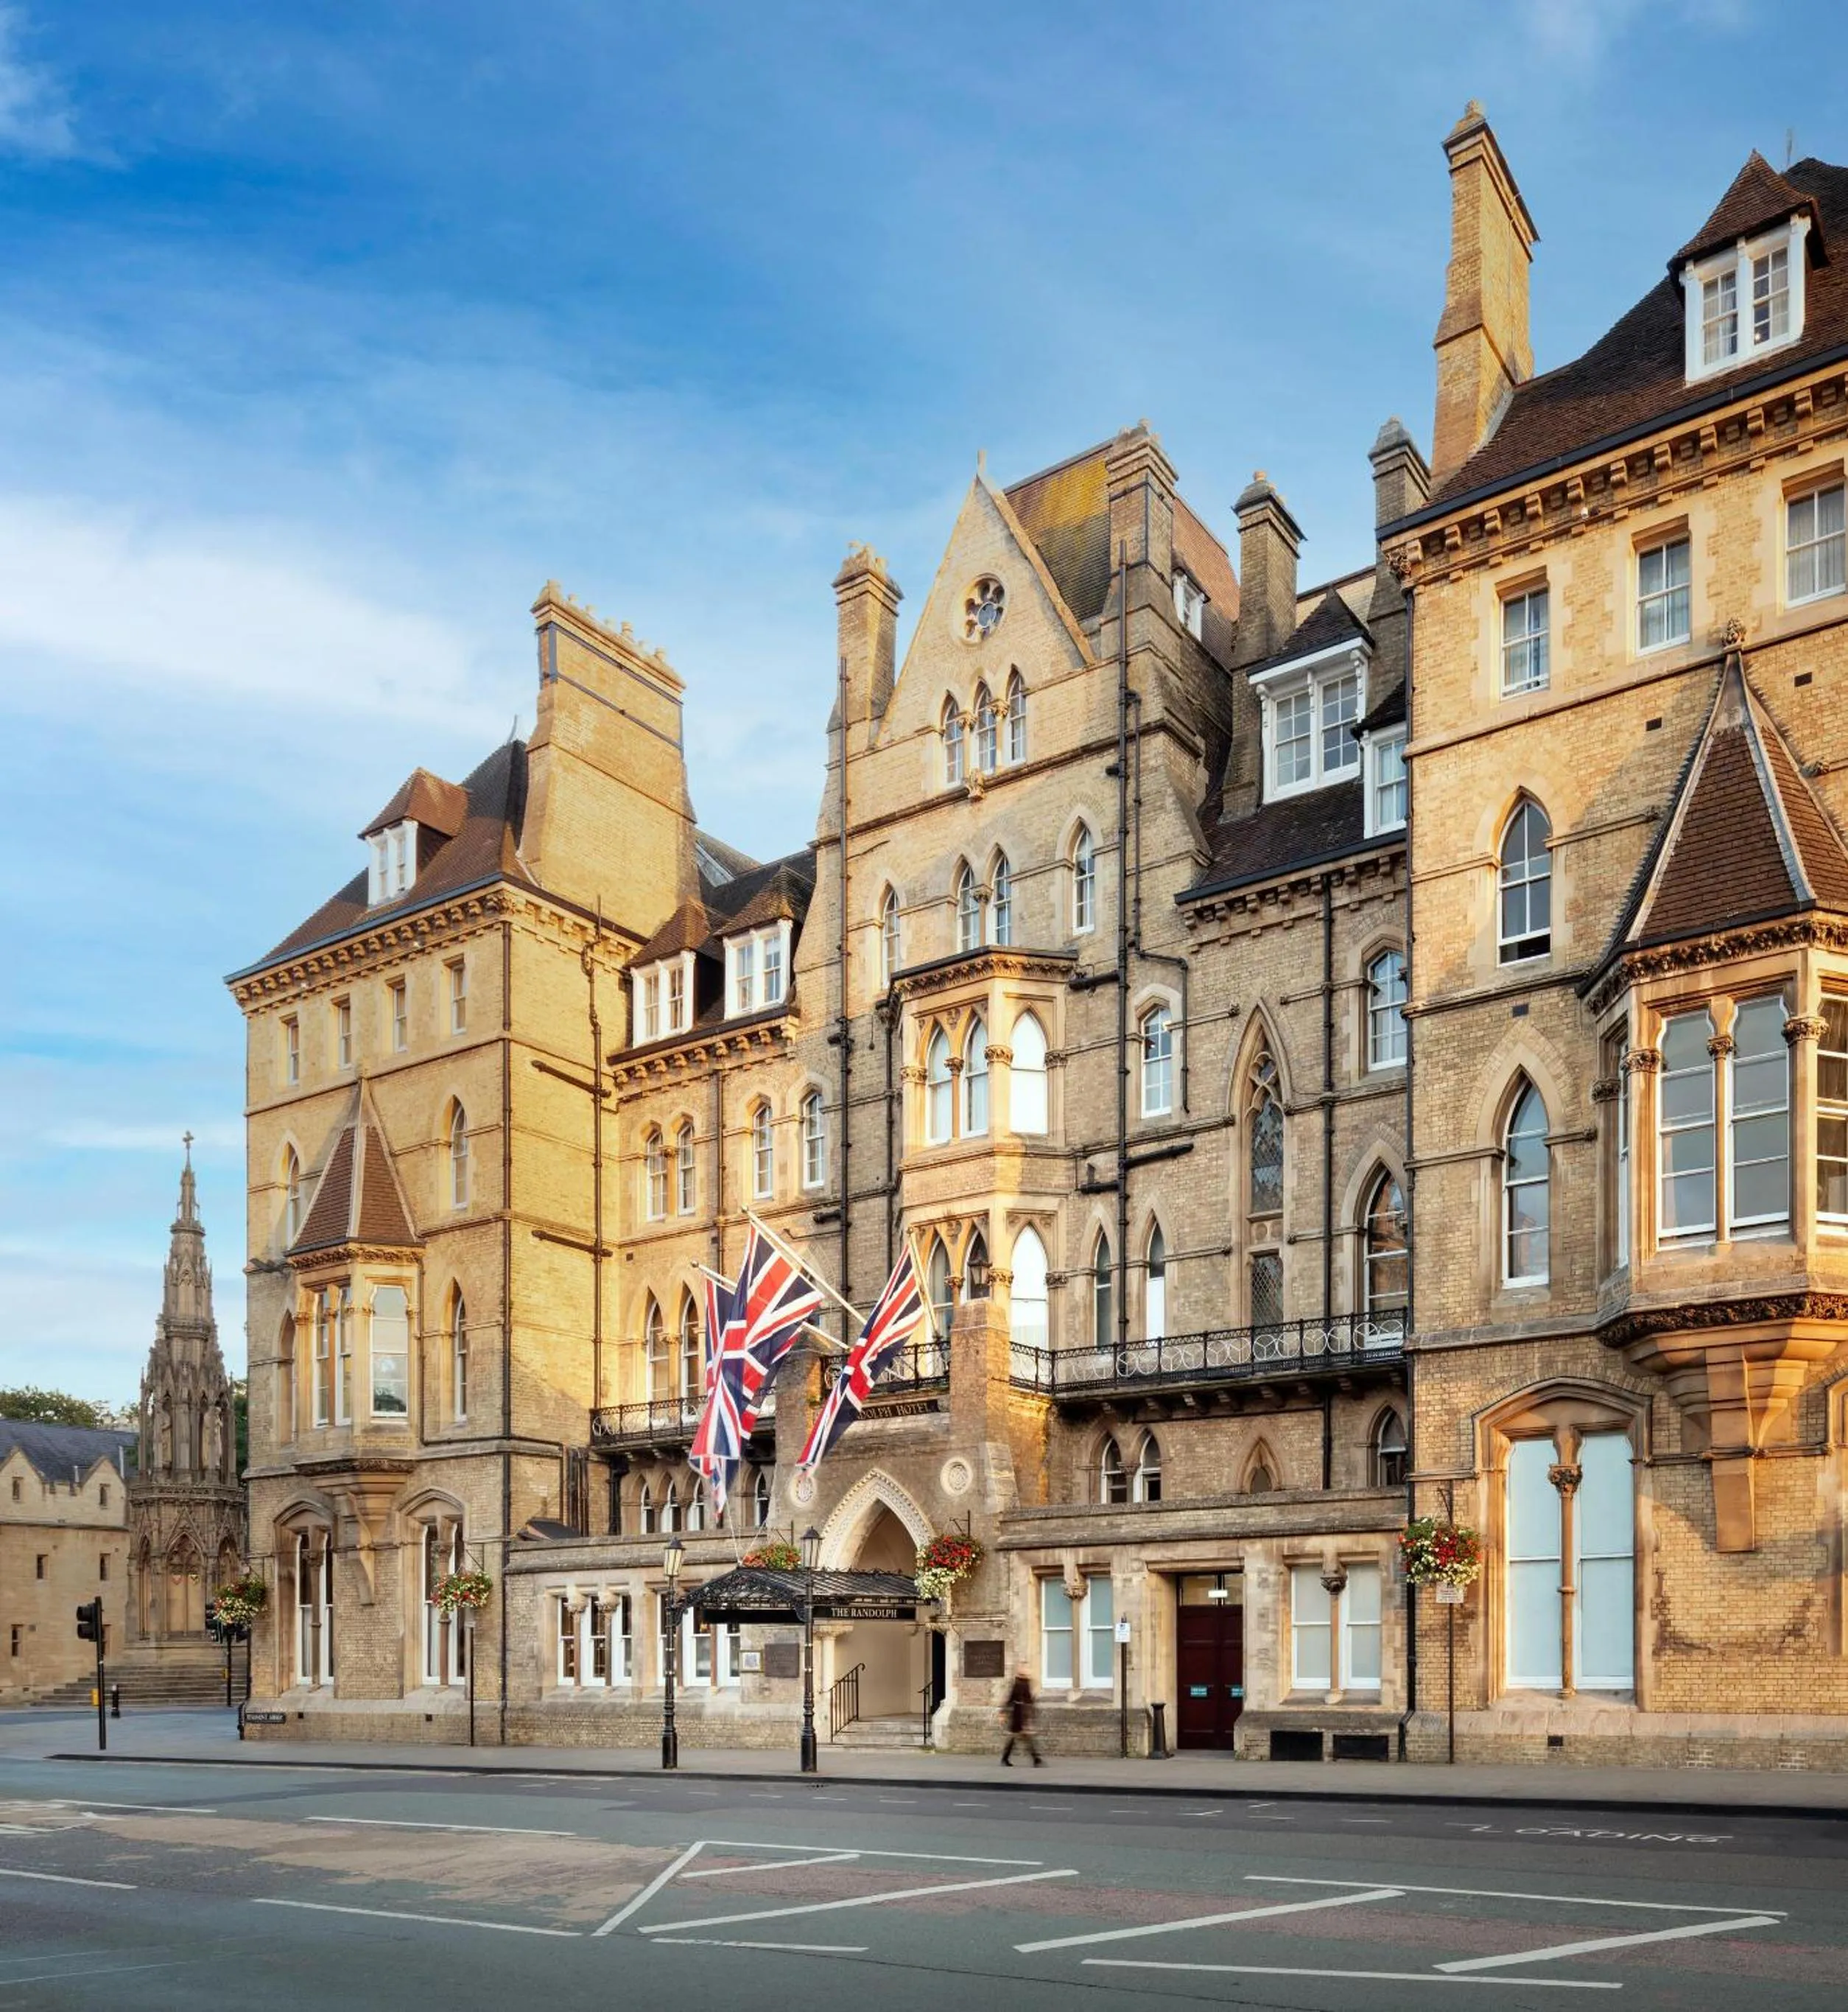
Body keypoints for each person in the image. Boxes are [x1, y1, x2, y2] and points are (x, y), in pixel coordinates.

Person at [1000, 1666, 1044, 1767]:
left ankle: (1006, 1758)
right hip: (1020, 1715)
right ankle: (1036, 1759)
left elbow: (1012, 1700)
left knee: (1018, 1737)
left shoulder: (1021, 1684)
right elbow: (1017, 1699)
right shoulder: (1021, 1685)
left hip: (1020, 1714)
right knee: (1025, 1737)